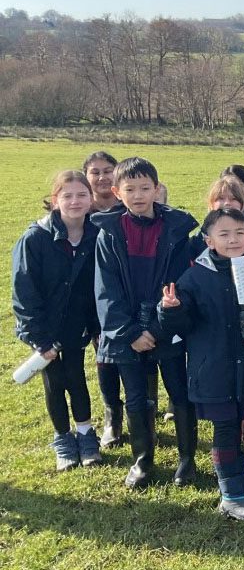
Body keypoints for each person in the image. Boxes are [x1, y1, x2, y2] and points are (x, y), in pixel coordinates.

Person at [158, 208, 244, 521]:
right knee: (225, 428)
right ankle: (231, 497)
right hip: (212, 369)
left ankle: (238, 478)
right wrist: (171, 309)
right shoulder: (195, 278)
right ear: (209, 241)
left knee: (236, 421)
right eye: (224, 234)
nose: (233, 239)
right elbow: (181, 326)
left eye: (240, 233)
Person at [93, 157, 199, 489]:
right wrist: (130, 333)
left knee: (179, 391)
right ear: (116, 192)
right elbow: (105, 290)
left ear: (156, 189)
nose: (138, 195)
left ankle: (187, 459)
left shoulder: (176, 230)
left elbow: (181, 283)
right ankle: (142, 460)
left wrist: (156, 328)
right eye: (130, 189)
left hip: (166, 326)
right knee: (136, 397)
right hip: (127, 333)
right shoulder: (109, 234)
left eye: (144, 188)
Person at [12, 171, 103, 471]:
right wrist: (38, 338)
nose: (75, 201)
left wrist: (96, 326)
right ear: (55, 200)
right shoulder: (35, 238)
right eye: (67, 195)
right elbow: (24, 291)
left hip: (77, 323)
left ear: (91, 199)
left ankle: (86, 435)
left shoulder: (97, 235)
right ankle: (63, 438)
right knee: (54, 381)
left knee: (77, 377)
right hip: (45, 326)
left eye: (81, 195)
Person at [188, 176, 244, 447]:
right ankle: (232, 427)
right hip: (217, 318)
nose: (226, 203)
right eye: (220, 199)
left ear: (243, 204)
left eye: (233, 200)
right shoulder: (199, 241)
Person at [84, 151, 125, 446]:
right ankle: (113, 415)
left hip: (130, 293)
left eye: (108, 170)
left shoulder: (130, 207)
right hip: (94, 297)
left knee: (141, 357)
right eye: (95, 172)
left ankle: (143, 413)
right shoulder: (80, 213)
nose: (102, 177)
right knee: (105, 355)